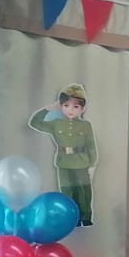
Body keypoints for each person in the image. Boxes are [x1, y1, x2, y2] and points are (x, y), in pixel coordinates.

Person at [27, 83, 97, 226]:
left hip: (81, 162)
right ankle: (71, 217)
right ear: (61, 106)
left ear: (82, 109)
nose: (70, 110)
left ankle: (85, 216)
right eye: (66, 105)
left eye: (76, 107)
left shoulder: (85, 126)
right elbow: (34, 123)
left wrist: (92, 164)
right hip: (63, 162)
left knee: (83, 190)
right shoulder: (56, 124)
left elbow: (91, 146)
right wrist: (48, 109)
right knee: (66, 190)